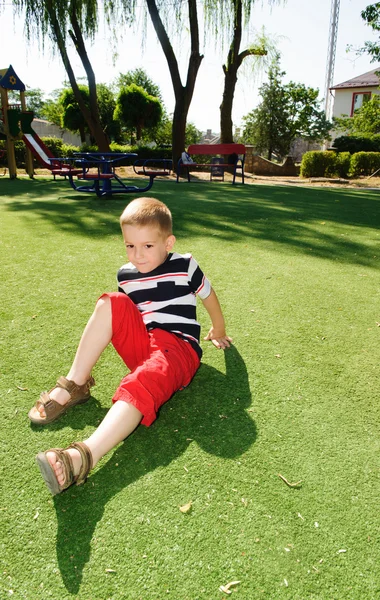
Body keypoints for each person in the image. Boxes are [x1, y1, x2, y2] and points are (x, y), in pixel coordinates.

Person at [29, 197, 232, 496]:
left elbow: (208, 295)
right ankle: (76, 383)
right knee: (111, 302)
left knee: (144, 379)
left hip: (178, 349)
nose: (138, 255)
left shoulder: (185, 265)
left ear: (168, 241)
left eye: (148, 246)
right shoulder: (126, 275)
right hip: (147, 346)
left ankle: (83, 455)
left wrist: (219, 328)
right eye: (130, 245)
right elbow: (132, 314)